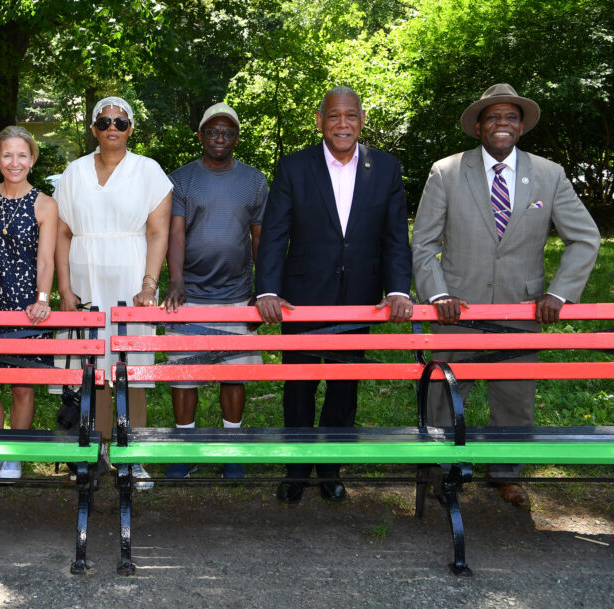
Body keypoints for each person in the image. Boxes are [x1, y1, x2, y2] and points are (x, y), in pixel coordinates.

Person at [411, 83, 600, 506]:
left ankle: (506, 473)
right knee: (445, 396)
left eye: (510, 117)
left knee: (514, 397)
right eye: (493, 117)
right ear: (478, 127)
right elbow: (423, 244)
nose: (502, 123)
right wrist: (438, 293)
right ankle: (442, 471)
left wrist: (562, 292)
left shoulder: (549, 175)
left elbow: (586, 239)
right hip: (456, 311)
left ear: (521, 126)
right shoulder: (446, 172)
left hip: (522, 307)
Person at [255, 86, 413, 503]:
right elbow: (274, 235)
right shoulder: (294, 167)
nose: (342, 124)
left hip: (360, 297)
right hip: (302, 297)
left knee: (344, 387)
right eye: (333, 116)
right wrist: (267, 289)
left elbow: (396, 236)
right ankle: (296, 470)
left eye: (351, 116)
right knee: (299, 386)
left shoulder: (386, 167)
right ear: (321, 120)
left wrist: (398, 288)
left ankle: (331, 469)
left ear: (361, 119)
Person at [55, 96, 173, 490]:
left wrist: (149, 284)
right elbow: (62, 232)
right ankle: (95, 450)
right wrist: (65, 288)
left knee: (129, 364)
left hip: (129, 277)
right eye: (104, 121)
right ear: (93, 129)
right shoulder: (73, 172)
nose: (112, 127)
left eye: (121, 123)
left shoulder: (149, 171)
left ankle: (132, 452)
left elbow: (158, 231)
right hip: (85, 276)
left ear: (131, 129)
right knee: (90, 363)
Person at [160, 102, 268, 480]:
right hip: (190, 296)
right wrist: (176, 281)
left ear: (236, 137)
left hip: (237, 294)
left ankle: (231, 449)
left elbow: (260, 237)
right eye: (212, 131)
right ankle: (184, 450)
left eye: (227, 132)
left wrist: (264, 288)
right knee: (183, 375)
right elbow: (175, 232)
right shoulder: (182, 179)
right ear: (201, 135)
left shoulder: (254, 180)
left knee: (234, 375)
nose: (220, 138)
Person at [0, 126, 58, 481]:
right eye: (7, 155)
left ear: (32, 159)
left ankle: (16, 454)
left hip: (26, 307)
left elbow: (46, 260)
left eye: (22, 155)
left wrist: (42, 299)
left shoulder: (45, 204)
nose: (14, 162)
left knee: (23, 386)